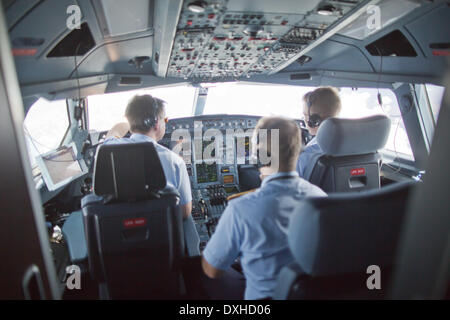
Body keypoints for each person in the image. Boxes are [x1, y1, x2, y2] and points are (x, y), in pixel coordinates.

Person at [200, 116, 326, 300]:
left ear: (259, 157)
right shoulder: (321, 198)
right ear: (298, 151)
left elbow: (213, 270)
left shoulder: (240, 209)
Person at [104, 94, 192, 219]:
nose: (165, 124)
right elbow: (184, 212)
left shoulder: (107, 149)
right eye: (165, 120)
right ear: (156, 123)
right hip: (160, 233)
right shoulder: (175, 161)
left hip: (119, 231)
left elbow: (114, 132)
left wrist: (133, 121)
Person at [297, 86, 342, 179]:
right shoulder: (355, 145)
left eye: (305, 115)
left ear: (314, 120)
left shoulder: (309, 154)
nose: (304, 119)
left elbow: (284, 187)